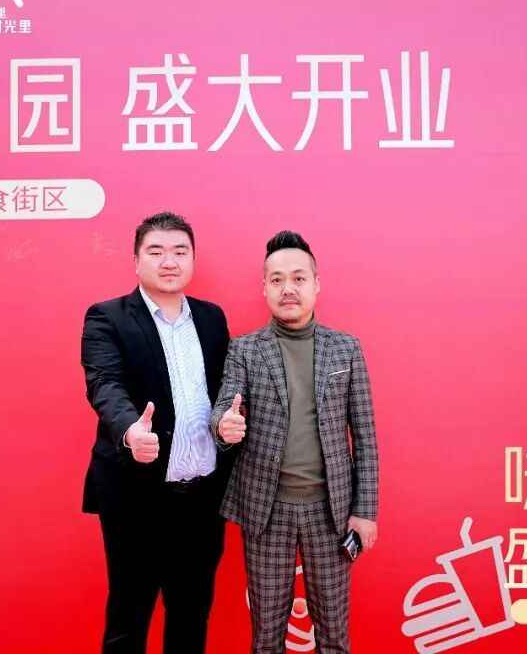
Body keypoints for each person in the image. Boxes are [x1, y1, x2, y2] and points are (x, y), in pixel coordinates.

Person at [211, 230, 379, 654]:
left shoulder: (346, 349)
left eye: (299, 278)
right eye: (277, 279)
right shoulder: (245, 350)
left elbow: (365, 437)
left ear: (316, 284)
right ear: (264, 287)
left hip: (331, 512)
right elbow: (223, 408)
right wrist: (223, 427)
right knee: (266, 636)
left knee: (334, 635)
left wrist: (364, 511)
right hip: (266, 512)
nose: (288, 288)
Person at [81, 211, 232, 654]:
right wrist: (131, 430)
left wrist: (228, 423)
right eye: (157, 251)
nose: (169, 261)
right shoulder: (107, 317)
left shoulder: (211, 318)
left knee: (191, 618)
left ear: (192, 259)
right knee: (129, 619)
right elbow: (104, 384)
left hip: (202, 500)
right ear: (136, 261)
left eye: (180, 252)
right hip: (137, 496)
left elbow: (225, 391)